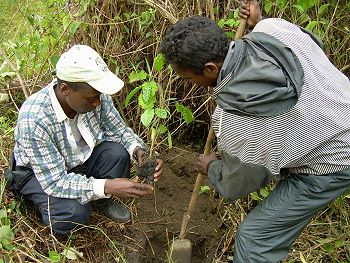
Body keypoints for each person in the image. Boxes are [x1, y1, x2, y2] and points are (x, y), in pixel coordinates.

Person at [160, 0, 350, 262]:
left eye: (189, 79)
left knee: (254, 239)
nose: (191, 85)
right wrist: (257, 23)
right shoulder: (273, 28)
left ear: (211, 69)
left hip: (335, 159)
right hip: (341, 113)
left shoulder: (234, 122)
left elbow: (239, 184)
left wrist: (212, 168)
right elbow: (315, 47)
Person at [5, 44, 163, 235]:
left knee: (118, 154)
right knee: (73, 213)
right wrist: (107, 185)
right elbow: (55, 182)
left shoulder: (95, 97)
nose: (97, 102)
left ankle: (101, 201)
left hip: (78, 158)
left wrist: (139, 152)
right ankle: (47, 206)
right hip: (39, 174)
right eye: (90, 98)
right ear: (65, 89)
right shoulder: (35, 118)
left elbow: (120, 131)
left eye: (98, 96)